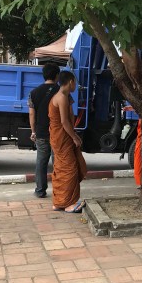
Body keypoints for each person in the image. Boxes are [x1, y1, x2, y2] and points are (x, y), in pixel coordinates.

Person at [49, 71, 87, 213]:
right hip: (62, 138)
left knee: (60, 169)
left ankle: (58, 202)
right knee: (69, 170)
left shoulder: (62, 97)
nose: (75, 85)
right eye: (75, 82)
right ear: (71, 82)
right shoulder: (62, 98)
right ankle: (68, 204)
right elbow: (64, 122)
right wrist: (74, 137)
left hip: (59, 137)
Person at [28, 63, 60, 198]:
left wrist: (33, 131)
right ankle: (59, 191)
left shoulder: (34, 92)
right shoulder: (61, 91)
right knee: (58, 163)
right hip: (57, 133)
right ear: (57, 75)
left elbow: (32, 114)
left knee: (41, 162)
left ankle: (40, 190)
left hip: (41, 133)